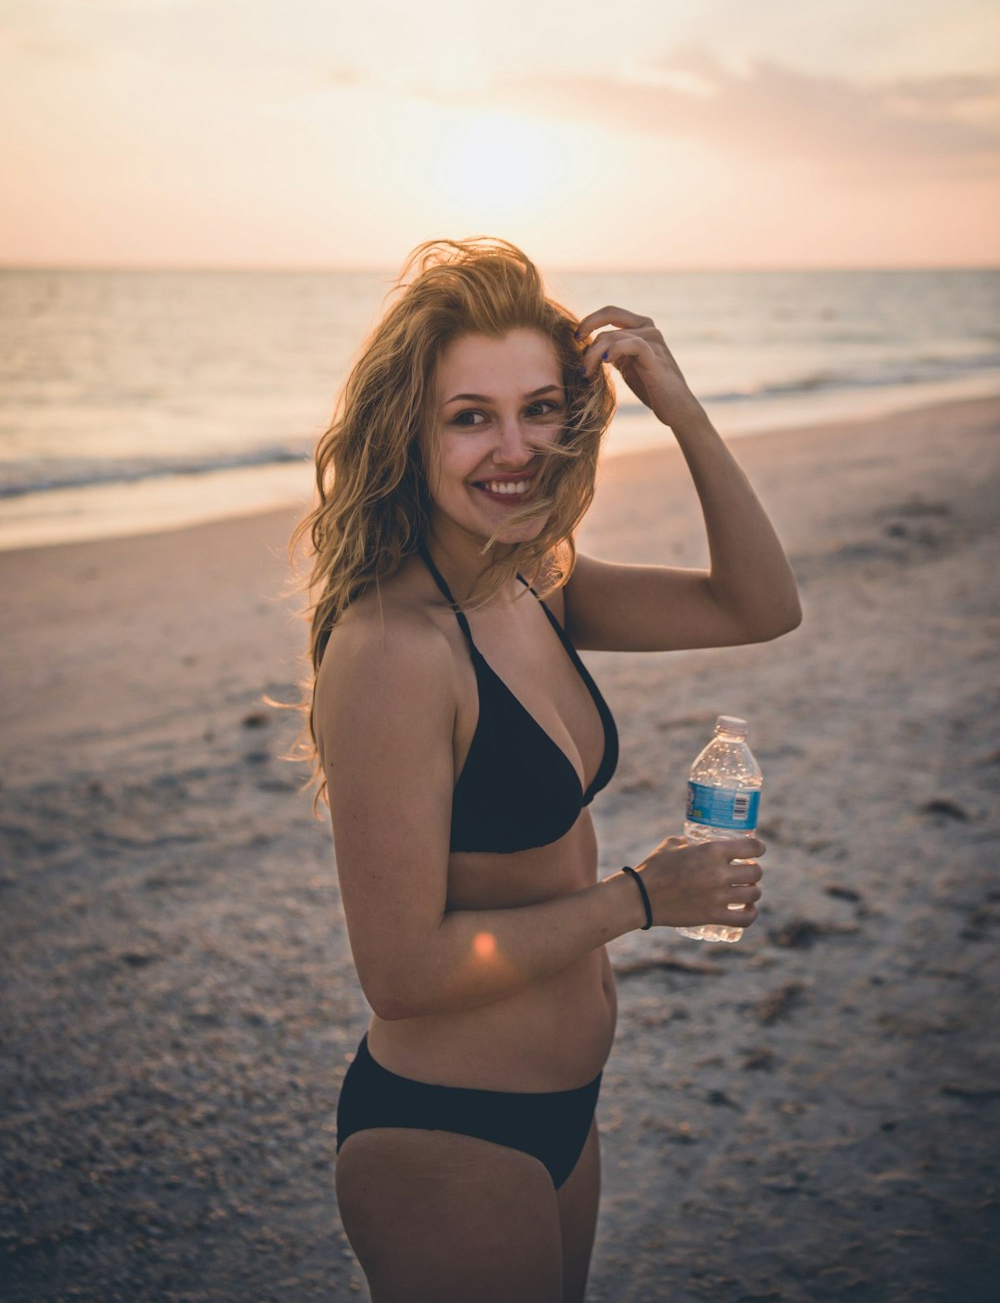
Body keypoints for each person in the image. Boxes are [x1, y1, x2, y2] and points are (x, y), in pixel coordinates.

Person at [294, 237, 801, 1303]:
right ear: (411, 433)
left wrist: (684, 410)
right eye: (469, 415)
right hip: (447, 1134)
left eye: (537, 408)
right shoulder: (395, 649)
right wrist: (638, 900)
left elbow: (756, 605)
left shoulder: (532, 583)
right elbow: (402, 973)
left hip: (565, 1114)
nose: (512, 447)